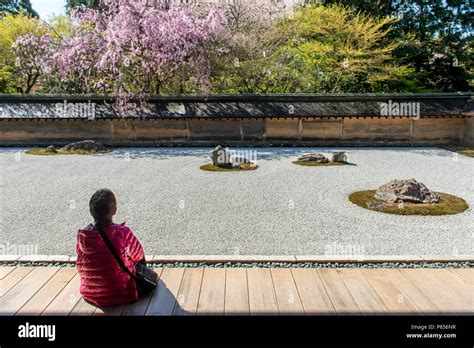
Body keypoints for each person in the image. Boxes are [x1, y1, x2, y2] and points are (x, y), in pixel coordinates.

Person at [76, 188, 145, 307]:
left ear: (92, 211)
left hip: (90, 293)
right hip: (122, 294)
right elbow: (138, 254)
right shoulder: (122, 232)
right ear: (114, 210)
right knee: (138, 259)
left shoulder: (83, 236)